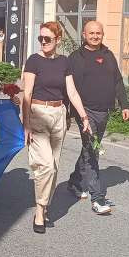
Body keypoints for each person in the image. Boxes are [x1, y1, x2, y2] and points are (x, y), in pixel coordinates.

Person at [22, 22, 90, 234]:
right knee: (46, 166)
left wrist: (83, 116)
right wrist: (25, 125)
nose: (43, 42)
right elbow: (26, 93)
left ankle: (44, 204)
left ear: (57, 40)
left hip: (59, 115)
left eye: (47, 39)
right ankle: (40, 210)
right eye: (41, 38)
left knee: (55, 166)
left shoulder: (64, 62)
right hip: (38, 114)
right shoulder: (33, 60)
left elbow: (72, 92)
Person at [66, 21, 129, 216]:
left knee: (88, 149)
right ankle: (97, 198)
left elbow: (118, 81)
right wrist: (70, 113)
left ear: (102, 35)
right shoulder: (76, 58)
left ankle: (74, 181)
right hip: (84, 112)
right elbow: (69, 88)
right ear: (84, 35)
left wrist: (125, 105)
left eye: (98, 33)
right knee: (93, 150)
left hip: (105, 111)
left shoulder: (108, 55)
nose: (95, 36)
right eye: (91, 33)